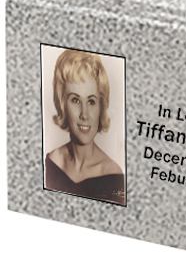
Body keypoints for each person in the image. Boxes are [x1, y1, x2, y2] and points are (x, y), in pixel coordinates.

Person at [44, 49, 125, 205]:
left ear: (101, 106)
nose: (84, 114)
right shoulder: (52, 162)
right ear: (62, 104)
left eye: (91, 101)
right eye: (75, 100)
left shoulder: (114, 177)